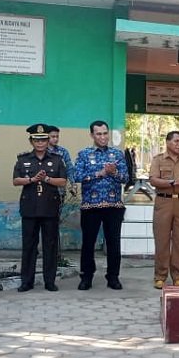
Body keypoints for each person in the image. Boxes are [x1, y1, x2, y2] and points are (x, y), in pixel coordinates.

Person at [74, 120, 128, 291]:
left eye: (105, 133)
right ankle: (86, 277)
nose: (103, 137)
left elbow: (126, 179)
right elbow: (77, 176)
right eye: (99, 134)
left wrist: (114, 172)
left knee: (114, 243)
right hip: (91, 206)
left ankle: (113, 277)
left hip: (114, 206)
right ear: (92, 135)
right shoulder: (84, 154)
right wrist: (100, 173)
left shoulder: (117, 154)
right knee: (88, 243)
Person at [13, 124, 68, 293]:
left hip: (49, 208)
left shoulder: (57, 159)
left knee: (50, 246)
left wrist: (47, 179)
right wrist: (31, 179)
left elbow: (63, 181)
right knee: (29, 246)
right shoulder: (23, 159)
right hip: (29, 208)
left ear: (47, 141)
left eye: (43, 139)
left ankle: (49, 281)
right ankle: (26, 281)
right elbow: (16, 180)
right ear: (31, 141)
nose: (40, 143)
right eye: (36, 139)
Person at [149, 131, 179, 289]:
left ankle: (178, 276)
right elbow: (153, 179)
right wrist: (173, 182)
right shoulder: (158, 160)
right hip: (164, 202)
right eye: (176, 141)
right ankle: (160, 276)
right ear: (167, 142)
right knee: (162, 240)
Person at [47, 125, 76, 195]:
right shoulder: (41, 152)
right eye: (53, 137)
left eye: (57, 137)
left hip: (59, 190)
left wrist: (73, 184)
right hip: (44, 189)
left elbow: (69, 168)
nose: (56, 139)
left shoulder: (63, 151)